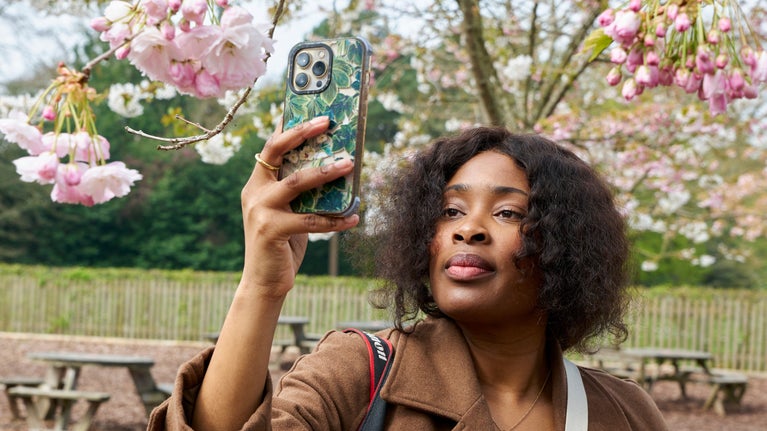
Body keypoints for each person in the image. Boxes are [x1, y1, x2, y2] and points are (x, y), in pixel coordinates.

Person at [148, 118, 668, 430]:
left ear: (568, 246)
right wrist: (261, 287)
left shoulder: (623, 412)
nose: (470, 230)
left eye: (508, 213)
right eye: (450, 211)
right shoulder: (358, 372)